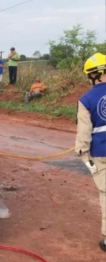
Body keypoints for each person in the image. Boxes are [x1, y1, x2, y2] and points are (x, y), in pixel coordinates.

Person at [75, 52, 106, 252]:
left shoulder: (86, 100)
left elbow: (84, 136)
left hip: (100, 153)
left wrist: (84, 157)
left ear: (93, 75)